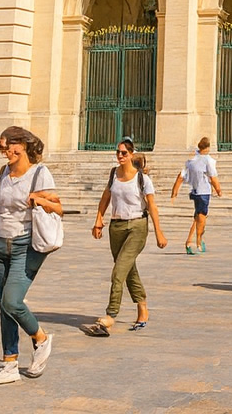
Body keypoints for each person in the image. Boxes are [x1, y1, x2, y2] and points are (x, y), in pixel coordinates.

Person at [0, 126, 61, 384]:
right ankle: (9, 363)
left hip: (26, 245)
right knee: (3, 307)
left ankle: (41, 338)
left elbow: (59, 207)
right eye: (1, 149)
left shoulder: (40, 174)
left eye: (6, 147)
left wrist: (40, 200)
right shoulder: (3, 173)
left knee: (12, 301)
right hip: (1, 245)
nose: (4, 153)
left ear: (20, 144)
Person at [84, 138, 167, 335]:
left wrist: (159, 232)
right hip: (116, 227)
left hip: (137, 226)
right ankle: (142, 307)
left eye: (124, 153)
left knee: (118, 272)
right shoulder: (113, 174)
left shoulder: (143, 179)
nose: (120, 156)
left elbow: (152, 207)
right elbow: (105, 198)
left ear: (131, 154)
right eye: (118, 152)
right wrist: (98, 220)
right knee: (128, 269)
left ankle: (110, 316)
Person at [171, 137, 224, 255]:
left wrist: (174, 191)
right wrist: (218, 190)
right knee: (201, 217)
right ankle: (196, 242)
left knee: (198, 216)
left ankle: (193, 241)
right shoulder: (208, 160)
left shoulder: (191, 160)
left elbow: (180, 176)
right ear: (208, 147)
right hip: (204, 191)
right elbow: (213, 177)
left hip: (194, 191)